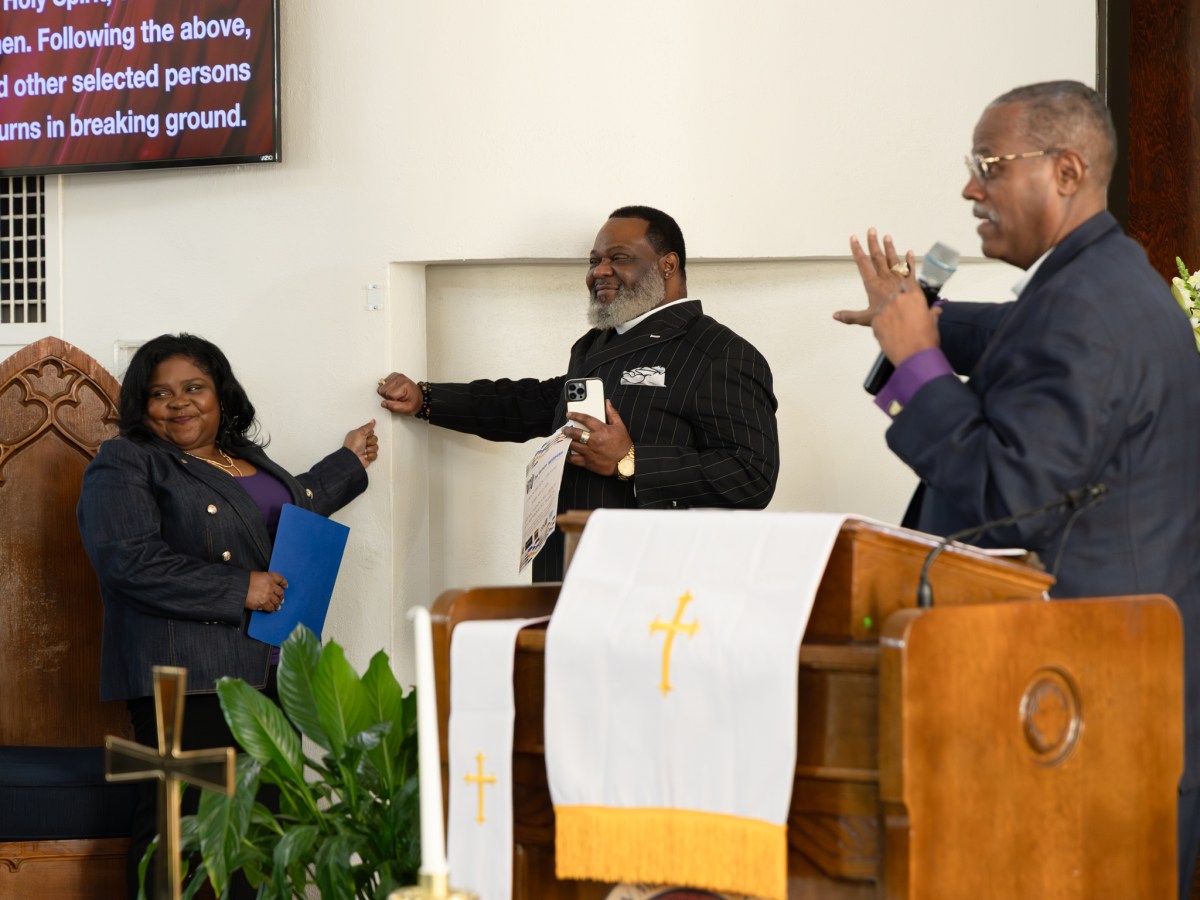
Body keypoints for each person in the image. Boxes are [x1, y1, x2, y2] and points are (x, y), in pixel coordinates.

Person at [834, 80, 1200, 897]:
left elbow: (1008, 498)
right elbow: (1017, 337)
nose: (971, 188)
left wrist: (919, 360)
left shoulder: (1083, 307)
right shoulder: (1103, 276)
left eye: (990, 165)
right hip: (1115, 689)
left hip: (1078, 708)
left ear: (1066, 170)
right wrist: (918, 320)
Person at [76, 332, 377, 899]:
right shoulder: (128, 460)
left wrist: (348, 462)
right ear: (142, 404)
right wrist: (240, 588)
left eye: (194, 387)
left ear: (221, 394)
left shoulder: (244, 459)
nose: (179, 402)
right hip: (187, 681)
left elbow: (285, 511)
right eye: (160, 393)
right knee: (189, 840)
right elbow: (127, 560)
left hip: (270, 669)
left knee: (260, 838)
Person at [378, 205, 780, 581]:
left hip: (650, 582)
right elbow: (533, 404)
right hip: (566, 569)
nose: (599, 271)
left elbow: (752, 475)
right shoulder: (595, 346)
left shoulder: (719, 353)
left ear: (667, 265)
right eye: (594, 261)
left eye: (619, 258)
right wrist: (427, 399)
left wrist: (631, 460)